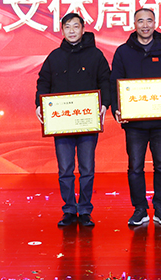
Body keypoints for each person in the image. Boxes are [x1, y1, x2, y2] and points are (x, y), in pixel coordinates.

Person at [35, 12, 111, 228]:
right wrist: (40, 104)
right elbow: (43, 82)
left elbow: (105, 80)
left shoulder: (96, 55)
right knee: (65, 169)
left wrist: (104, 104)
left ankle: (85, 209)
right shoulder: (54, 56)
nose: (71, 31)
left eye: (75, 26)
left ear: (83, 29)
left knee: (87, 168)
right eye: (67, 27)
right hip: (62, 122)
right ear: (62, 31)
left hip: (87, 121)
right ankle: (69, 209)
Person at [110, 8, 161, 227]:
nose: (145, 25)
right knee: (135, 167)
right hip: (134, 123)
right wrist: (117, 108)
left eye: (149, 21)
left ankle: (160, 207)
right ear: (134, 24)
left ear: (155, 23)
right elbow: (115, 82)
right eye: (140, 21)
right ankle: (140, 209)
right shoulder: (123, 51)